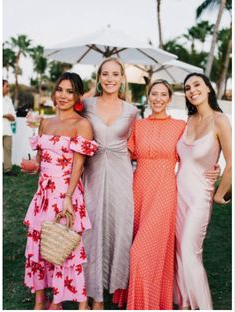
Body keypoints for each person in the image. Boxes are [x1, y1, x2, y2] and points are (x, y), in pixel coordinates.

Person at [22, 72, 98, 310]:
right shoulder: (45, 122)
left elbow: (79, 164)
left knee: (63, 248)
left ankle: (58, 302)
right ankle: (39, 301)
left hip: (65, 193)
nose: (63, 95)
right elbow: (40, 158)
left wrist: (67, 198)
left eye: (69, 91)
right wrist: (34, 166)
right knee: (39, 246)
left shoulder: (81, 124)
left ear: (77, 96)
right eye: (60, 90)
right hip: (43, 194)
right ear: (54, 93)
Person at [80, 57, 138, 310]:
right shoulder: (86, 104)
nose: (110, 79)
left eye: (116, 74)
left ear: (122, 78)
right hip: (92, 172)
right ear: (99, 77)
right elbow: (67, 122)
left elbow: (138, 145)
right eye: (105, 74)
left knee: (118, 226)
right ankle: (95, 295)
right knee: (91, 229)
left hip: (121, 175)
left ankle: (113, 286)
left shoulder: (131, 110)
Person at [125, 80, 186, 310]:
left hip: (165, 192)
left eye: (163, 95)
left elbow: (193, 156)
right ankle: (149, 299)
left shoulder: (180, 126)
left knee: (140, 252)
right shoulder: (137, 125)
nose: (158, 99)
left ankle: (142, 303)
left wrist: (214, 169)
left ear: (169, 99)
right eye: (154, 94)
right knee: (140, 245)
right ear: (148, 96)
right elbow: (124, 157)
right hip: (138, 190)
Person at [174, 73, 232, 310]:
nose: (192, 90)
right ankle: (185, 304)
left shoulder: (220, 121)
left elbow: (232, 162)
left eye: (197, 84)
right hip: (177, 195)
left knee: (190, 252)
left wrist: (221, 194)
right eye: (187, 87)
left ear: (208, 88)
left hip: (200, 197)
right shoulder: (187, 120)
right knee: (179, 253)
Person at [3, 79, 17, 176]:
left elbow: (13, 117)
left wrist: (8, 116)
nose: (8, 88)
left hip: (7, 129)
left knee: (8, 149)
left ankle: (7, 169)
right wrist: (5, 115)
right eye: (6, 86)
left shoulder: (8, 100)